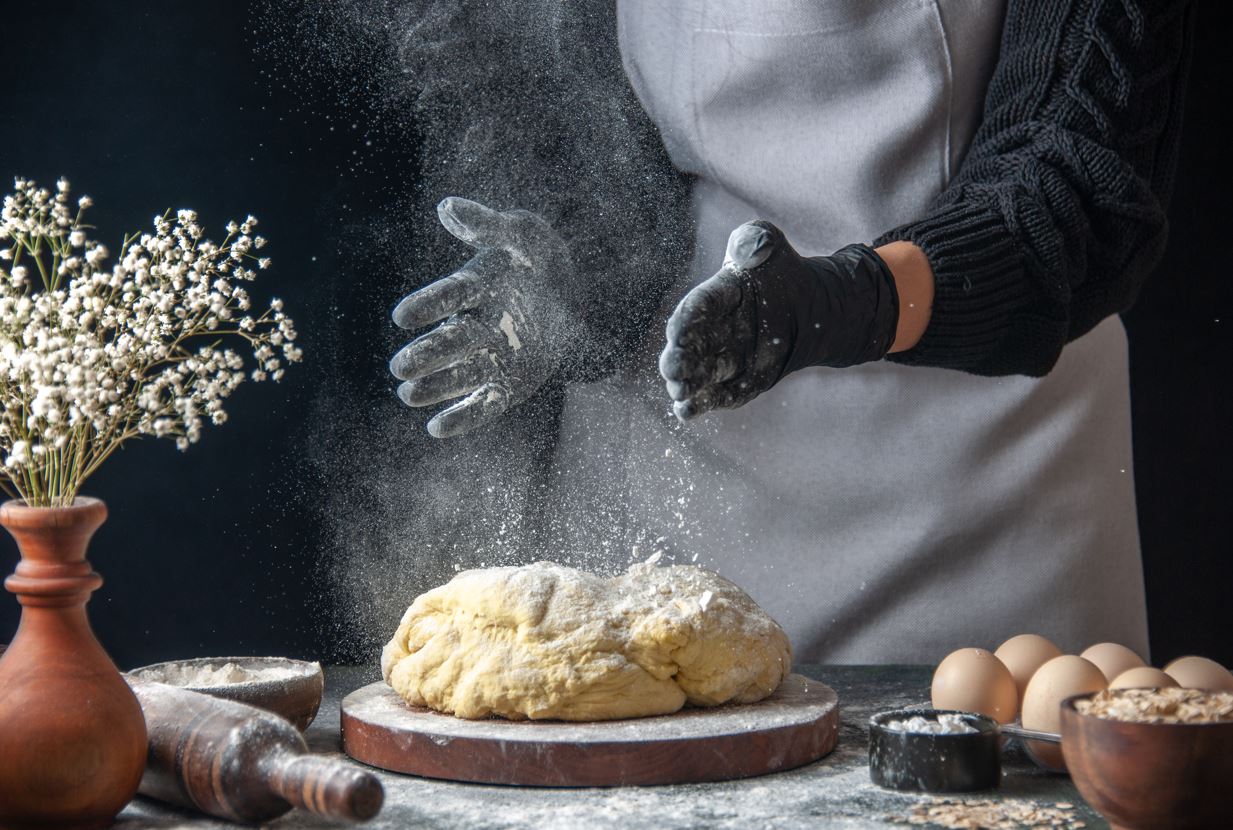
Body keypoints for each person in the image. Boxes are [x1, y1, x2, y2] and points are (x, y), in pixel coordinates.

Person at [387, 0, 1194, 662]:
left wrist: (849, 302)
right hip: (666, 471)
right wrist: (569, 279)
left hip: (978, 493)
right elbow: (560, 108)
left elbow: (1079, 186)